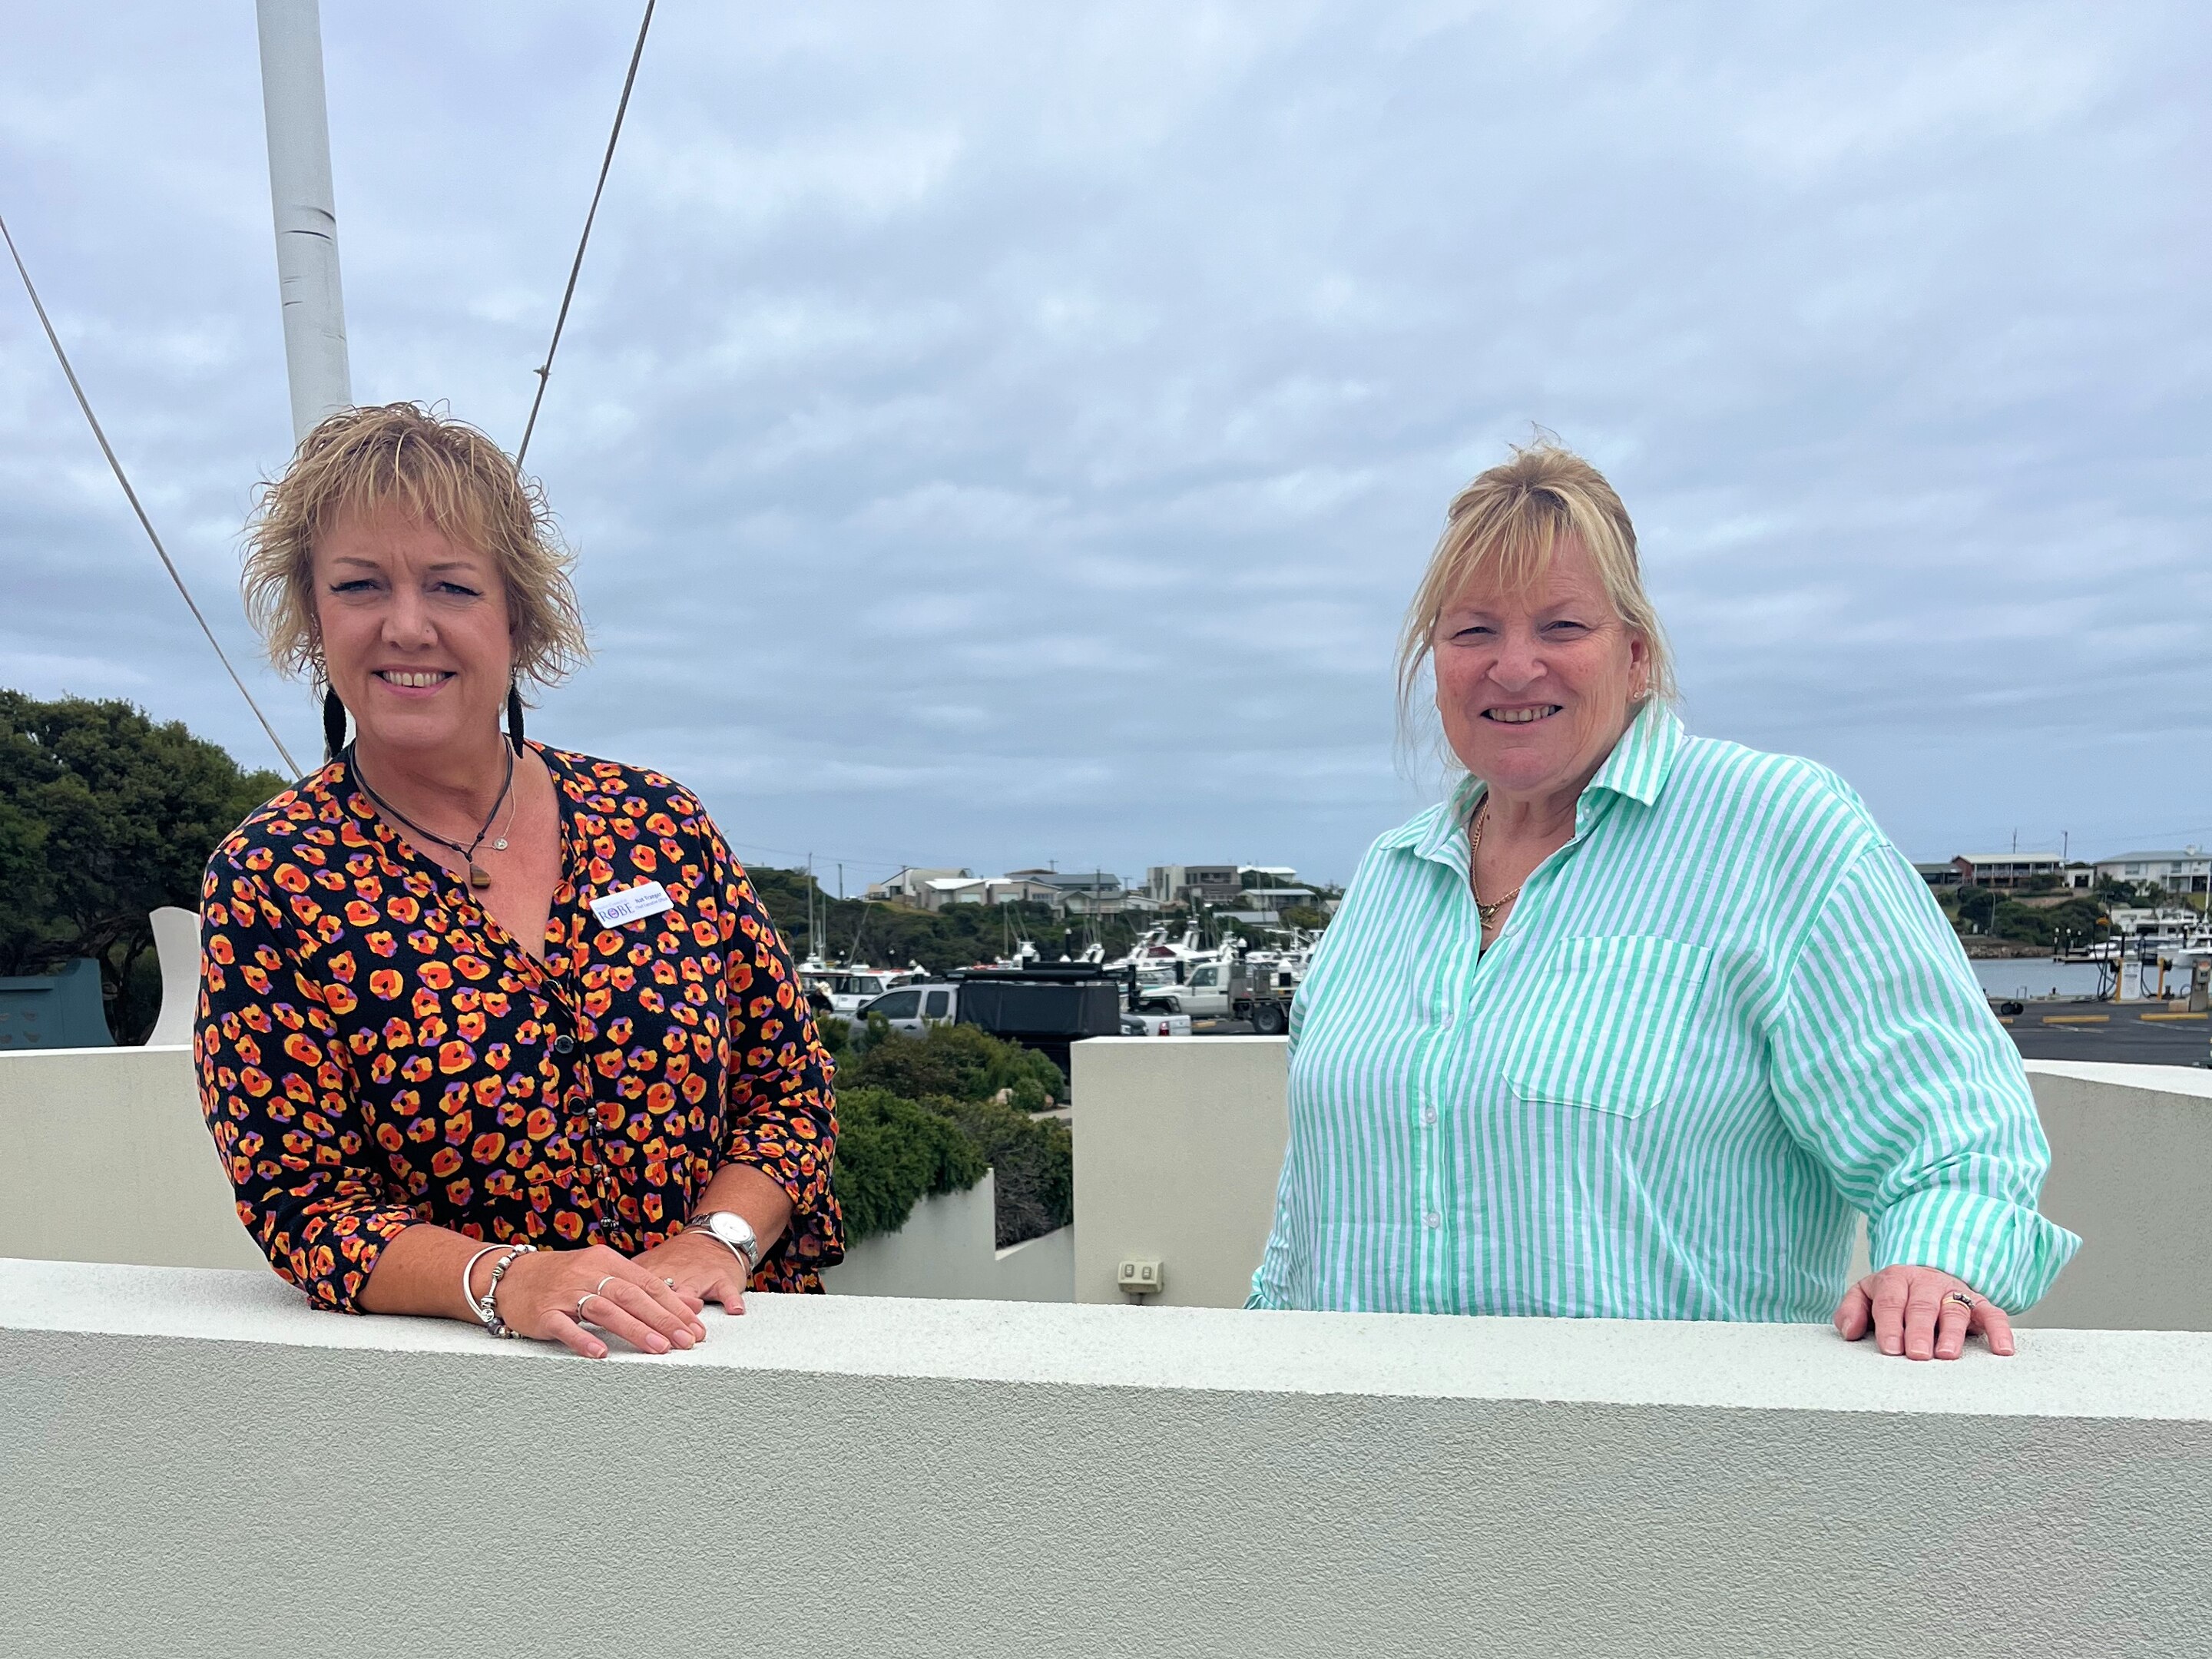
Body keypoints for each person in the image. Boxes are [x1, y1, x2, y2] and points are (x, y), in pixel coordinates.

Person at [1249, 442, 2078, 1360]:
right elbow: (1307, 1218)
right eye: (1474, 631)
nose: (1514, 668)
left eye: (1562, 627)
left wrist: (1933, 1270)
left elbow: (1955, 1140)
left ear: (1636, 655)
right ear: (1435, 660)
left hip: (1666, 1483)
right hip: (1357, 1475)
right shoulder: (1388, 878)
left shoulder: (1778, 831)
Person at [197, 402, 840, 1360]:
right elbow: (303, 1203)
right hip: (483, 1423)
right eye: (361, 585)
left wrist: (720, 1239)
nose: (405, 626)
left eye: (451, 586)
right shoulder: (272, 880)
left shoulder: (659, 824)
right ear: (315, 613)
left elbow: (790, 1085)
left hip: (734, 1370)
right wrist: (507, 1278)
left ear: (517, 613)